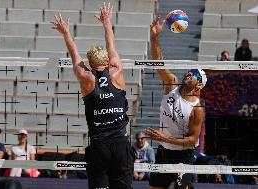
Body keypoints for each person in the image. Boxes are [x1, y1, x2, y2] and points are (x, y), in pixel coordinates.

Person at [52, 2, 133, 189]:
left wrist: (65, 32)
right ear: (107, 60)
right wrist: (106, 22)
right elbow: (111, 45)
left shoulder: (86, 77)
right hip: (121, 144)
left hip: (99, 146)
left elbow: (74, 55)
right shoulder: (116, 71)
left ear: (89, 62)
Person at [145, 16, 206, 189]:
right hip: (163, 153)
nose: (189, 73)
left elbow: (193, 140)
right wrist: (155, 37)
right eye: (189, 71)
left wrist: (166, 137)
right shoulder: (171, 83)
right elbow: (158, 63)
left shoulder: (197, 108)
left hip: (183, 157)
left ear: (199, 84)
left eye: (194, 74)